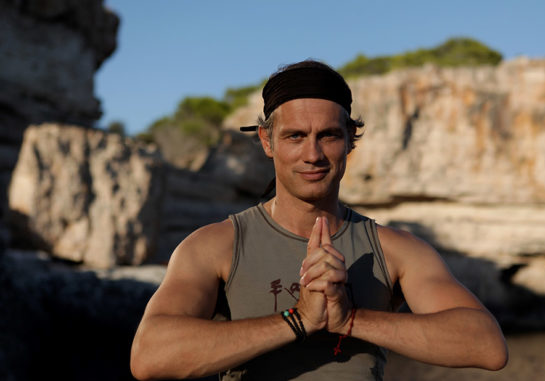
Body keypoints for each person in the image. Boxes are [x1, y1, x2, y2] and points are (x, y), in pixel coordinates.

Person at [130, 60, 507, 381]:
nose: (313, 154)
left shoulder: (396, 249)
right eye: (295, 136)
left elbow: (487, 346)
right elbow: (150, 355)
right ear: (266, 140)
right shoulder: (216, 245)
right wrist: (300, 320)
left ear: (350, 140)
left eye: (328, 136)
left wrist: (349, 320)